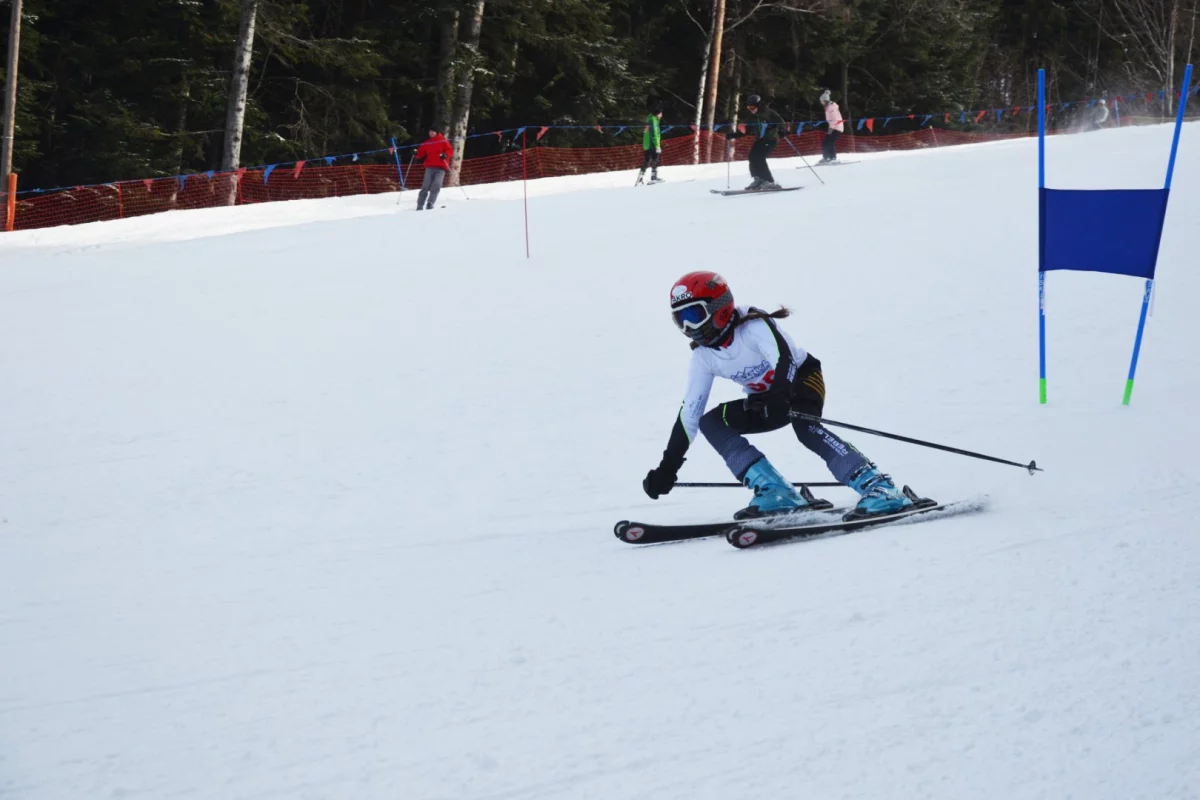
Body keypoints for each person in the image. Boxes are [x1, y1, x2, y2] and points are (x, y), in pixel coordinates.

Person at [642, 271, 915, 520]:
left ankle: (880, 488)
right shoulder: (704, 357)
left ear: (719, 309)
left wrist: (779, 397)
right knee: (712, 422)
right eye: (681, 319)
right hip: (765, 401)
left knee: (805, 426)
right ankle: (776, 491)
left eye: (693, 316)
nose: (688, 328)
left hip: (802, 380)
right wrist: (668, 466)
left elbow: (784, 359)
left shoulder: (754, 325)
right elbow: (689, 413)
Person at [726, 94, 786, 190]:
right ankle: (758, 179)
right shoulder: (752, 117)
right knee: (752, 156)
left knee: (759, 157)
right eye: (749, 107)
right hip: (760, 140)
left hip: (771, 138)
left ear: (758, 105)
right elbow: (747, 131)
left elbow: (781, 122)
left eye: (753, 107)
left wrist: (782, 130)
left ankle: (769, 181)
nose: (751, 109)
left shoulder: (769, 113)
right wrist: (734, 135)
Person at [414, 128, 454, 210]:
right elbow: (420, 153)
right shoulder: (427, 143)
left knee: (437, 185)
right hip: (429, 167)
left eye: (433, 131)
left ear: (437, 132)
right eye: (430, 131)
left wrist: (445, 154)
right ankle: (420, 204)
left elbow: (450, 150)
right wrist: (415, 153)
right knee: (426, 185)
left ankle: (430, 202)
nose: (431, 133)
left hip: (440, 167)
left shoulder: (443, 141)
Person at [638, 99, 664, 185]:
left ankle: (640, 178)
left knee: (647, 160)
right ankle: (654, 178)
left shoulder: (649, 118)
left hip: (646, 144)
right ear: (657, 114)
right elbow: (654, 134)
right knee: (655, 159)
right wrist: (657, 146)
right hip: (651, 143)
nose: (661, 115)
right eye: (660, 113)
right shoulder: (653, 120)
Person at [819, 89, 844, 164]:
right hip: (835, 128)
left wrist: (830, 129)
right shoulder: (828, 107)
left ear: (825, 100)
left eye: (822, 101)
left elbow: (834, 120)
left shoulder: (831, 107)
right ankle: (832, 157)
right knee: (829, 142)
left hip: (837, 128)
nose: (821, 102)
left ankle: (827, 158)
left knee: (827, 142)